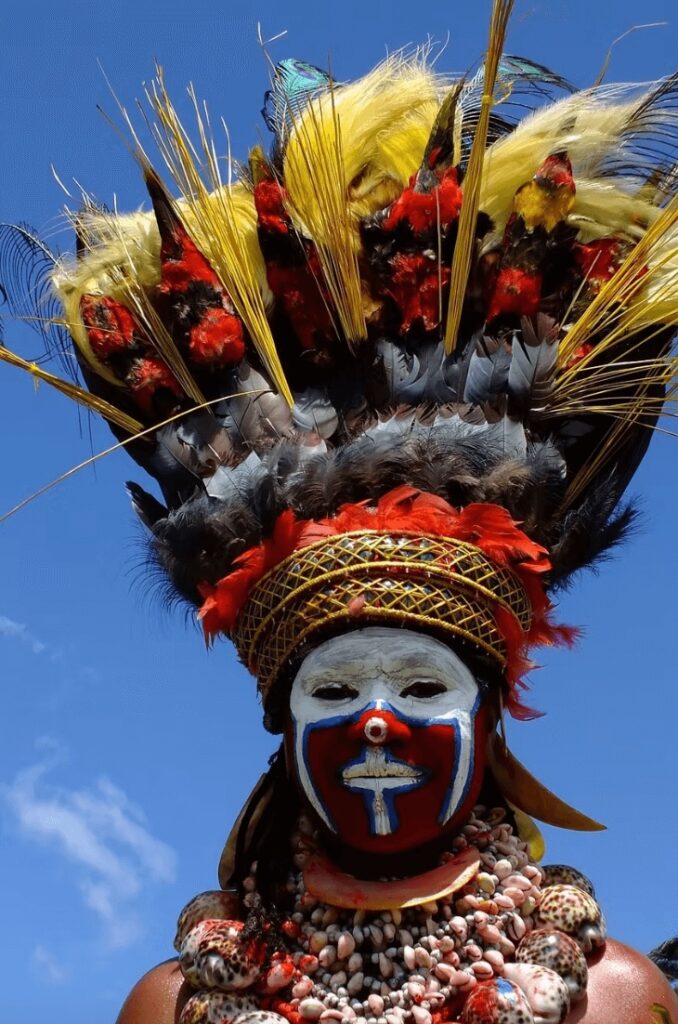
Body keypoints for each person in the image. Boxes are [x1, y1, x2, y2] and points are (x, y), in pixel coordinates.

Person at [2, 11, 677, 1022]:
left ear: (489, 714)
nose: (375, 716)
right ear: (282, 720)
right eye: (336, 687)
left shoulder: (611, 995)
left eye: (418, 681)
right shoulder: (181, 1000)